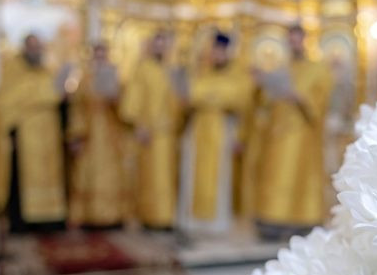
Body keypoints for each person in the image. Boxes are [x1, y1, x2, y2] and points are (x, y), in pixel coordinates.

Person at [255, 24, 333, 240]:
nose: (294, 44)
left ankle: (304, 220)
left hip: (303, 135)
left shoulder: (318, 69)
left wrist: (300, 99)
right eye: (290, 40)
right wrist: (262, 86)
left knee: (299, 175)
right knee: (275, 175)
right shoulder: (281, 68)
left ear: (305, 40)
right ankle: (272, 220)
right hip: (278, 132)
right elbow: (265, 102)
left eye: (297, 39)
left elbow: (322, 102)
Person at [0, 34, 70, 233]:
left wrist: (63, 96)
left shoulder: (48, 71)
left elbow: (55, 97)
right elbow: (5, 101)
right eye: (32, 47)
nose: (36, 51)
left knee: (50, 176)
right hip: (25, 135)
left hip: (49, 136)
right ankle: (23, 221)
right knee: (22, 178)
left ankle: (51, 218)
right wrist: (48, 93)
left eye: (39, 47)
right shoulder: (13, 69)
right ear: (24, 49)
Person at [178, 32, 256, 236]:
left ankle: (216, 222)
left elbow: (241, 104)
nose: (216, 54)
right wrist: (206, 97)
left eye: (220, 50)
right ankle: (193, 220)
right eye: (213, 50)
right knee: (193, 173)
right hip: (198, 129)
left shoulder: (238, 74)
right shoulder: (203, 72)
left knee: (219, 176)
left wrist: (240, 136)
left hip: (222, 130)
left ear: (228, 52)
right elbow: (191, 96)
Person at [123, 30, 182, 231]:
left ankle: (167, 217)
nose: (160, 48)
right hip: (150, 132)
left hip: (169, 132)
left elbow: (177, 100)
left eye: (164, 45)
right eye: (157, 44)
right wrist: (139, 125)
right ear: (151, 46)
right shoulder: (143, 68)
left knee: (168, 176)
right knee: (152, 176)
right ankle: (151, 217)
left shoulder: (171, 69)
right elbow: (134, 98)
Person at [68, 42, 130, 229]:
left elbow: (126, 110)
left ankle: (113, 216)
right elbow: (77, 109)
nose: (100, 59)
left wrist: (116, 99)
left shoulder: (116, 78)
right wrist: (76, 135)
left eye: (104, 55)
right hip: (89, 135)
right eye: (97, 55)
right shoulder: (84, 79)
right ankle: (90, 216)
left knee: (111, 174)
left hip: (110, 134)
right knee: (88, 173)